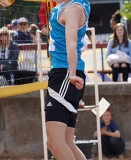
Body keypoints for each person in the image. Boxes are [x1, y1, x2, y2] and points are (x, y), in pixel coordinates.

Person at [45, 1, 90, 160]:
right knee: (66, 141)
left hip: (65, 74)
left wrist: (71, 74)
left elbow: (71, 43)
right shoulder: (66, 6)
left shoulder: (73, 9)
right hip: (64, 73)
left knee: (54, 142)